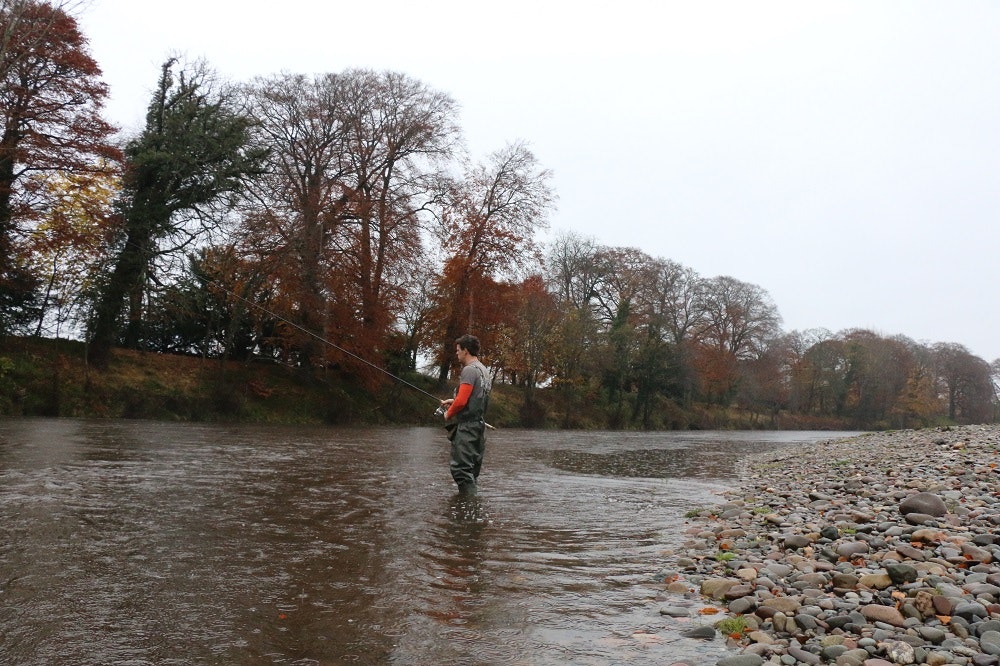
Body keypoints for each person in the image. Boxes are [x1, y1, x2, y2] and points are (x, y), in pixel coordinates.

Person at [439, 334, 492, 496]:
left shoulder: (469, 370)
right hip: (479, 427)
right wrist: (453, 401)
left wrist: (449, 413)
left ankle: (468, 512)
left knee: (461, 471)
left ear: (466, 351)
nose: (457, 353)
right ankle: (471, 513)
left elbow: (462, 402)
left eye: (458, 350)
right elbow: (471, 397)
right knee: (471, 471)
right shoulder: (483, 370)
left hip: (467, 428)